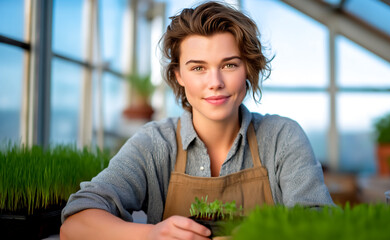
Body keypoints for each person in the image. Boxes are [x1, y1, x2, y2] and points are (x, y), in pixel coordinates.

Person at [60, 1, 333, 239]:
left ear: (248, 69)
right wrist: (151, 234)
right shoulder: (155, 144)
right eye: (198, 68)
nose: (215, 83)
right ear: (178, 75)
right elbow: (75, 225)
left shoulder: (282, 137)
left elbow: (323, 223)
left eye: (229, 65)